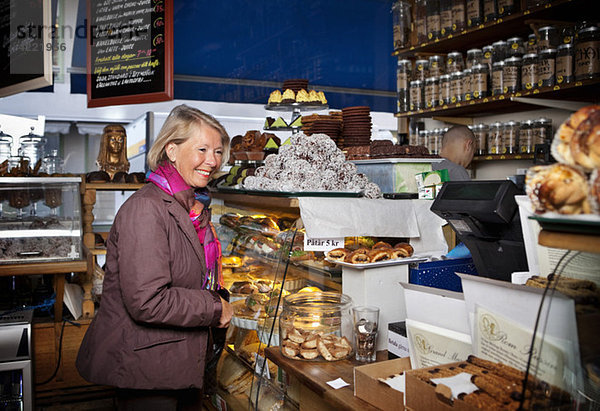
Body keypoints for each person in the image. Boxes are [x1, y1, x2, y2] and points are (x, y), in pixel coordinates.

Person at [76, 105, 233, 410]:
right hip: (148, 371)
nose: (212, 161)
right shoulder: (147, 208)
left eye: (217, 151)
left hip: (177, 363)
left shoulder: (191, 206)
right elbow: (148, 301)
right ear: (171, 150)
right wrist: (215, 307)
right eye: (202, 149)